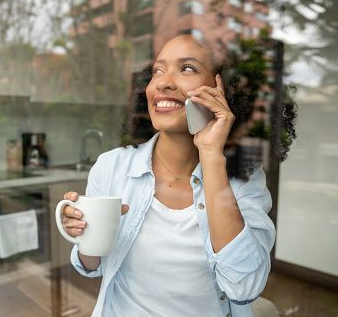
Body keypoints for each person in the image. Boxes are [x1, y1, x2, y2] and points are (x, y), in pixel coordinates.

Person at [61, 34, 276, 317]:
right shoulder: (110, 166)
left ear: (222, 89)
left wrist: (211, 154)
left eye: (187, 68)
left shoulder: (245, 180)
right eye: (157, 71)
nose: (163, 82)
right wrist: (84, 233)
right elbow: (91, 266)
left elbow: (244, 288)